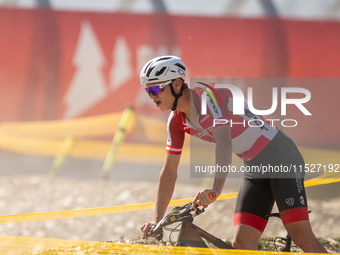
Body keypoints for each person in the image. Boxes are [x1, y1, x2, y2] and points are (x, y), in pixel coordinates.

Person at [139, 56, 327, 253]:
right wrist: (156, 220)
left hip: (281, 156)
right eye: (147, 91)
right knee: (242, 244)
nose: (151, 96)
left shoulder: (206, 98)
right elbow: (169, 171)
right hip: (254, 167)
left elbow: (224, 142)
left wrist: (215, 189)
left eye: (154, 89)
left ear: (177, 84)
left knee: (301, 236)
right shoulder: (175, 121)